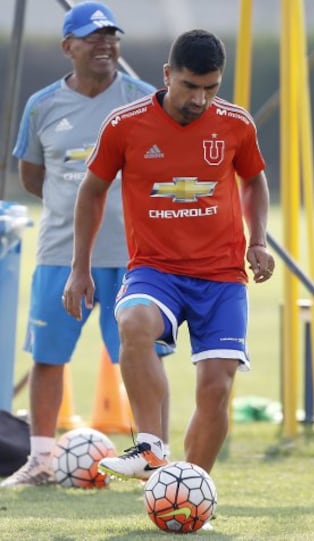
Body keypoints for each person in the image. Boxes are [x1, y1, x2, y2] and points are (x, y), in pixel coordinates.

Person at [63, 28, 275, 482]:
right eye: (190, 86)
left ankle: (186, 488)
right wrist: (79, 268)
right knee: (133, 321)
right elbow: (92, 191)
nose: (200, 99)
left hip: (221, 276)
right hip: (155, 269)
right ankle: (152, 448)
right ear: (167, 75)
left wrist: (257, 240)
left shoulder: (236, 124)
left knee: (217, 387)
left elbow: (254, 180)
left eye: (211, 88)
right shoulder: (125, 124)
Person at [0, 1, 172, 488]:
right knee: (48, 356)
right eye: (93, 36)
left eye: (111, 36)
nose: (105, 44)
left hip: (134, 258)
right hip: (60, 254)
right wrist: (74, 211)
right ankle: (39, 461)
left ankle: (155, 460)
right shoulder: (42, 105)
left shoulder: (144, 99)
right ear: (67, 47)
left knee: (144, 360)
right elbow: (32, 175)